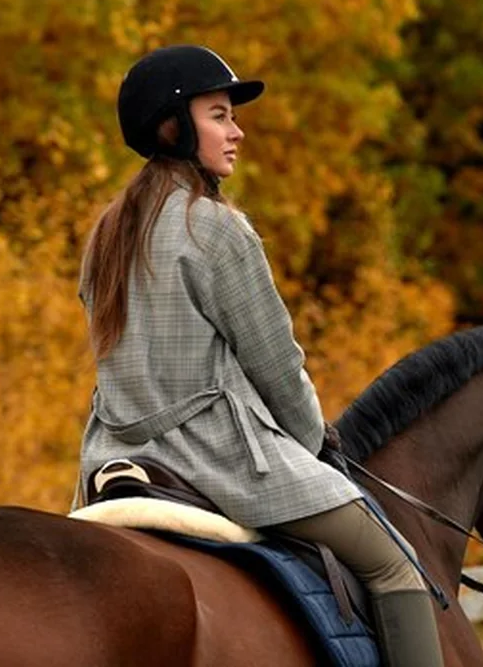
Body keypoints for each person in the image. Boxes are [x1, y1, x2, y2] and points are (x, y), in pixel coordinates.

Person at [76, 45, 443, 666]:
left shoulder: (107, 232)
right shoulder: (215, 228)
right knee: (392, 561)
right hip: (220, 459)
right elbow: (278, 367)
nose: (237, 131)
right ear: (175, 126)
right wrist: (310, 442)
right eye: (220, 115)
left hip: (115, 461)